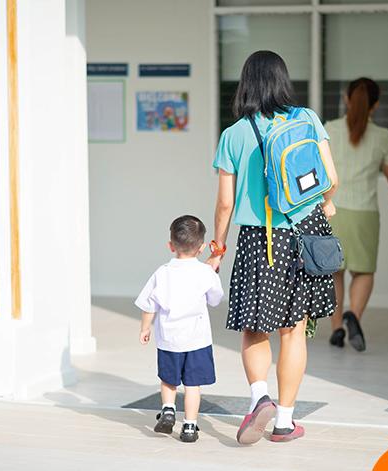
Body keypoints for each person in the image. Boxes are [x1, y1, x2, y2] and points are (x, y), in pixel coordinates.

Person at [207, 50, 338, 444]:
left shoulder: (233, 134)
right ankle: (284, 420)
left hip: (257, 237)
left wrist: (218, 246)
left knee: (254, 329)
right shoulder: (307, 119)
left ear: (245, 83)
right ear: (283, 80)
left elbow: (226, 203)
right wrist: (325, 203)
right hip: (304, 232)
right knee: (294, 331)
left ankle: (258, 396)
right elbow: (331, 178)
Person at [325, 77, 388, 352]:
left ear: (346, 99)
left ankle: (336, 328)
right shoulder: (381, 136)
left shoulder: (329, 129)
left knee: (335, 272)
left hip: (332, 211)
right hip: (364, 213)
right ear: (376, 104)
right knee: (364, 270)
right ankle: (353, 316)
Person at [136, 215, 224, 443]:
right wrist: (213, 268)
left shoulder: (162, 273)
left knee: (168, 380)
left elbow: (149, 304)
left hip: (169, 340)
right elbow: (215, 299)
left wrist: (146, 328)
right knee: (192, 385)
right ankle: (189, 426)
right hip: (197, 341)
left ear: (170, 245)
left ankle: (167, 409)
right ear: (202, 247)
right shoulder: (205, 273)